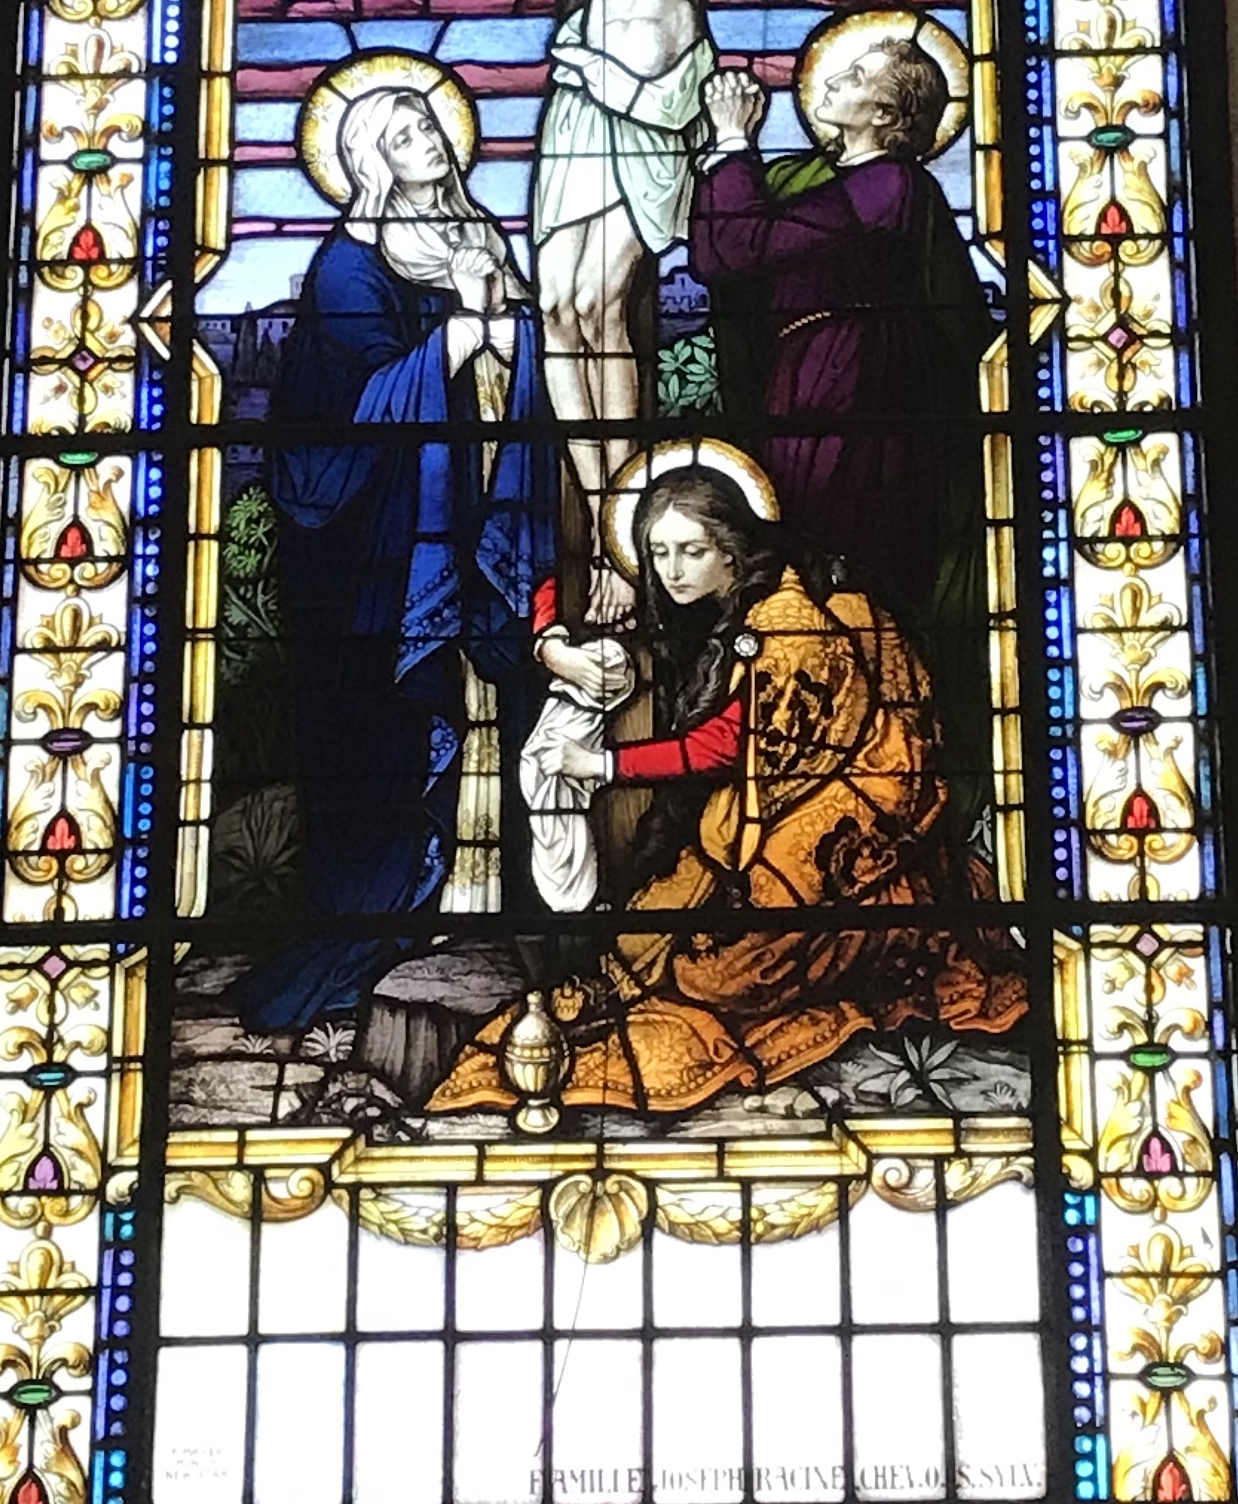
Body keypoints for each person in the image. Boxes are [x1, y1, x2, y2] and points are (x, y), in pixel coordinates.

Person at [230, 0, 960, 610]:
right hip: (584, 85)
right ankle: (612, 514)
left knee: (607, 305)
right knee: (558, 310)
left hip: (660, 94)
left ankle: (631, 522)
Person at [428, 467, 1025, 1122]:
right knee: (649, 940)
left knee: (722, 974)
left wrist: (603, 764)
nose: (672, 570)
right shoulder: (713, 605)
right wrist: (550, 640)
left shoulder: (787, 622)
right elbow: (556, 584)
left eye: (691, 551)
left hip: (844, 807)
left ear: (732, 550)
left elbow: (731, 744)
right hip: (758, 811)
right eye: (658, 553)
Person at [233, 77, 551, 1033]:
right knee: (380, 731)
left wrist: (504, 327)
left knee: (498, 700)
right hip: (375, 549)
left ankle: (484, 905)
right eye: (403, 130)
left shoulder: (476, 237)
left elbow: (517, 367)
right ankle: (375, 923)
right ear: (370, 158)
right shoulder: (348, 265)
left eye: (430, 123)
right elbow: (356, 409)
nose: (428, 138)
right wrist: (464, 328)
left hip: (472, 516)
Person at [691, 34, 995, 802]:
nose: (832, 76)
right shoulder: (849, 187)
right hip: (815, 382)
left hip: (852, 393)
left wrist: (732, 144)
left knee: (839, 566)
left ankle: (869, 768)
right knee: (806, 566)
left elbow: (733, 248)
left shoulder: (889, 184)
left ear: (889, 115)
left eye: (857, 74)